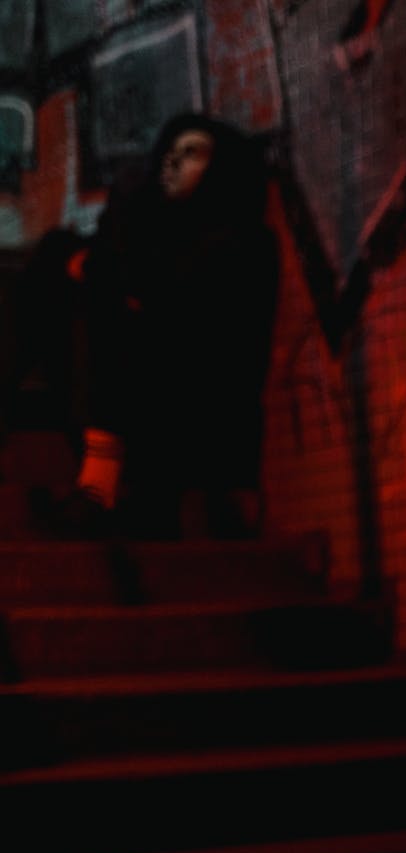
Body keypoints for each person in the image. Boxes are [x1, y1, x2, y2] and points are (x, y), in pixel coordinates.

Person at [66, 113, 279, 538]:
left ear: (220, 169)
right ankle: (98, 469)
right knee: (64, 259)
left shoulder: (244, 244)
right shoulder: (149, 224)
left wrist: (242, 477)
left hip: (193, 407)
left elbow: (233, 357)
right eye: (170, 151)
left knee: (110, 300)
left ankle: (103, 479)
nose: (173, 161)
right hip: (135, 398)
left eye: (192, 153)